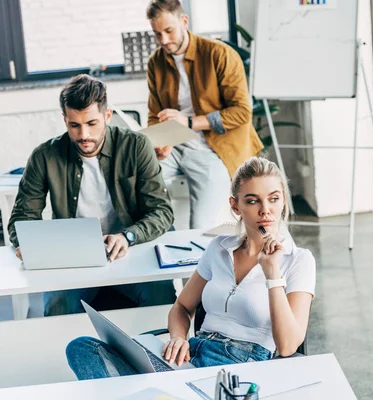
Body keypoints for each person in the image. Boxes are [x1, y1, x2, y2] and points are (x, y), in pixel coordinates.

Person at [66, 157, 316, 379]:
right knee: (82, 348)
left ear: (283, 200)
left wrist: (272, 274)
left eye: (274, 199)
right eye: (253, 201)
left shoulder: (298, 260)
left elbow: (287, 346)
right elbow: (182, 307)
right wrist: (178, 338)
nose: (266, 210)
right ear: (235, 206)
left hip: (238, 367)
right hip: (192, 354)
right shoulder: (219, 247)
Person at [8, 74, 177, 316]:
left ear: (107, 116)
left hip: (130, 250)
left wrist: (128, 236)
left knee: (161, 299)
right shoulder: (44, 156)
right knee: (58, 308)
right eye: (74, 125)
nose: (83, 134)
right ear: (64, 119)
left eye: (92, 123)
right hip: (72, 258)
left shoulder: (136, 146)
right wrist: (28, 244)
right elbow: (22, 218)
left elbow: (162, 212)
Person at [145, 0, 264, 232]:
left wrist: (188, 122)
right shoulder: (155, 63)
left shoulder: (219, 54)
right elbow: (154, 114)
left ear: (184, 21)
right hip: (176, 146)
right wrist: (161, 141)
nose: (164, 40)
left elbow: (241, 112)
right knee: (134, 179)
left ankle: (197, 265)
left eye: (168, 31)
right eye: (157, 34)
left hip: (214, 150)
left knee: (201, 229)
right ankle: (162, 237)